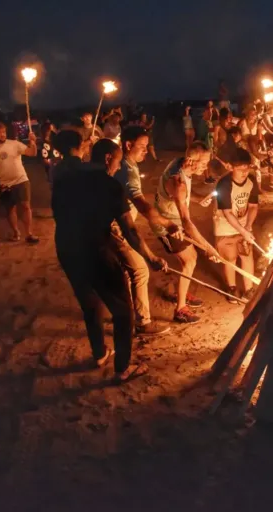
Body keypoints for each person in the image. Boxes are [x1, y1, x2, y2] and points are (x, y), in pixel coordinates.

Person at [51, 129, 167, 384]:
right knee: (123, 311)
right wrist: (150, 257)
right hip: (96, 251)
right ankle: (123, 367)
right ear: (107, 159)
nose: (117, 166)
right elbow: (131, 230)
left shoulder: (64, 178)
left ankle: (100, 354)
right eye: (116, 160)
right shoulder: (109, 185)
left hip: (67, 248)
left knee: (90, 304)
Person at [112, 126, 178, 334]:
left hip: (118, 224)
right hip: (115, 226)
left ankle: (128, 316)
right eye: (141, 146)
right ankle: (142, 322)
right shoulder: (126, 171)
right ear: (128, 144)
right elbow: (142, 205)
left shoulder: (127, 165)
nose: (146, 151)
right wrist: (167, 224)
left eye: (147, 146)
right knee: (140, 270)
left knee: (127, 270)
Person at [155, 141, 221, 323]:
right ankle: (180, 309)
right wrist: (208, 247)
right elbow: (186, 221)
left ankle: (180, 292)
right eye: (203, 163)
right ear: (191, 161)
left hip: (174, 219)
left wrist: (198, 199)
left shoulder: (180, 163)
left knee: (189, 260)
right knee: (190, 260)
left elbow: (181, 198)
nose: (206, 167)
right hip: (168, 226)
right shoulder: (178, 182)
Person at [213, 148, 259, 302]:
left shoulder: (251, 182)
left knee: (246, 254)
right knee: (230, 257)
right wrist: (242, 230)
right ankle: (232, 288)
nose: (244, 173)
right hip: (225, 226)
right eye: (240, 169)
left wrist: (247, 227)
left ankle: (249, 289)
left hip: (243, 225)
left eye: (247, 168)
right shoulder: (224, 184)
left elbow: (253, 206)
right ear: (231, 167)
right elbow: (227, 212)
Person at [0, 121, 39, 244]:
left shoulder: (14, 144)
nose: (2, 134)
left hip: (21, 179)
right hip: (5, 185)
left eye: (3, 131)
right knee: (10, 210)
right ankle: (16, 232)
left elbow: (32, 153)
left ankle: (29, 233)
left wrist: (33, 142)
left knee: (26, 206)